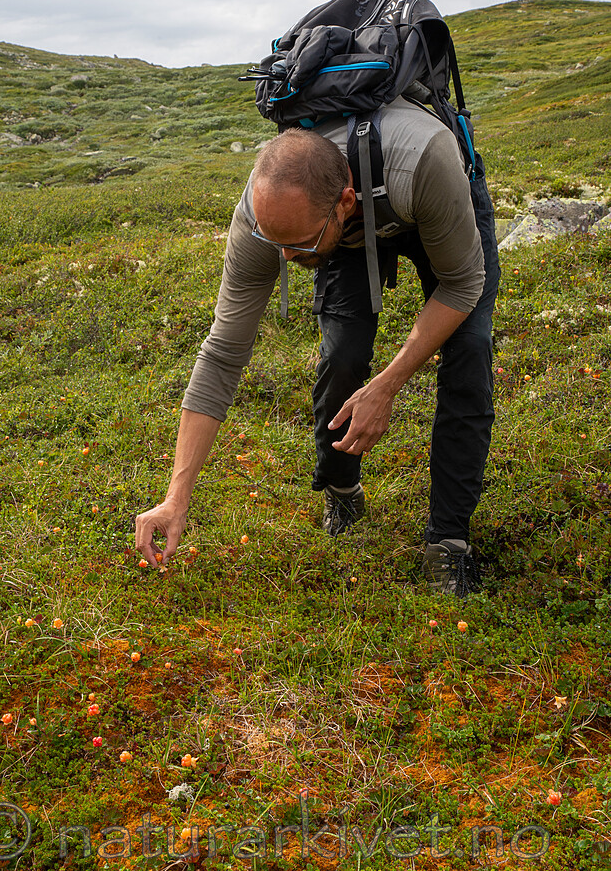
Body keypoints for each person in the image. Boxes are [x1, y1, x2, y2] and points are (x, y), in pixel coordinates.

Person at [135, 95, 500, 596]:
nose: (284, 256)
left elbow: (461, 285)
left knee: (470, 353)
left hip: (427, 197)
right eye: (275, 242)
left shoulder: (426, 159)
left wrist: (388, 386)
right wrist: (175, 499)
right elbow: (222, 352)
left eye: (296, 245)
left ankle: (449, 541)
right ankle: (341, 489)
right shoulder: (270, 216)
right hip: (340, 228)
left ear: (345, 203)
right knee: (342, 353)